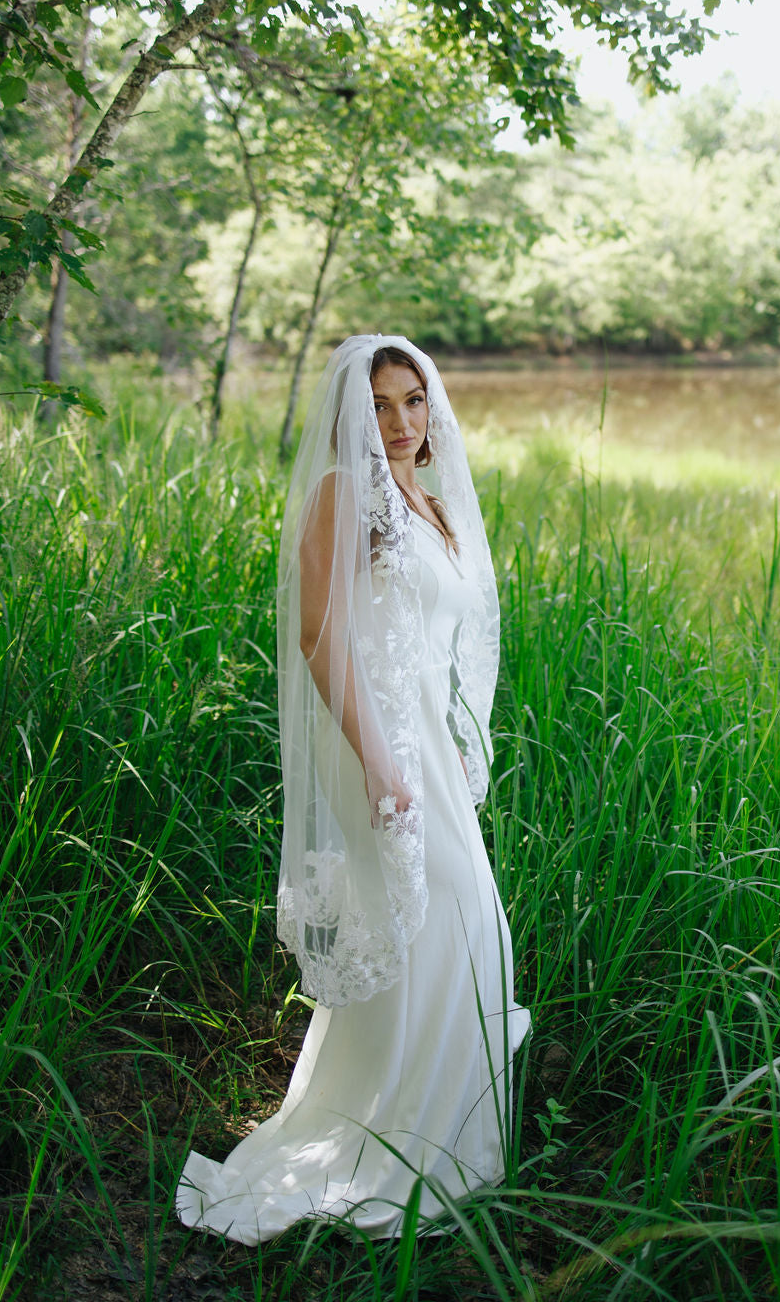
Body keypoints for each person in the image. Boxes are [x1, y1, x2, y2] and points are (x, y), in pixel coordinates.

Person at [175, 335, 530, 1244]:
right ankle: (383, 1142)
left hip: (424, 748)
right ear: (350, 414)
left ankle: (439, 1140)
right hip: (372, 742)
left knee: (463, 930)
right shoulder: (345, 493)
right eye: (380, 405)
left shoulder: (432, 502)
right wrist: (379, 762)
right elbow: (321, 639)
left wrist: (447, 745)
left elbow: (433, 646)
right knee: (440, 918)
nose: (403, 423)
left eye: (414, 402)